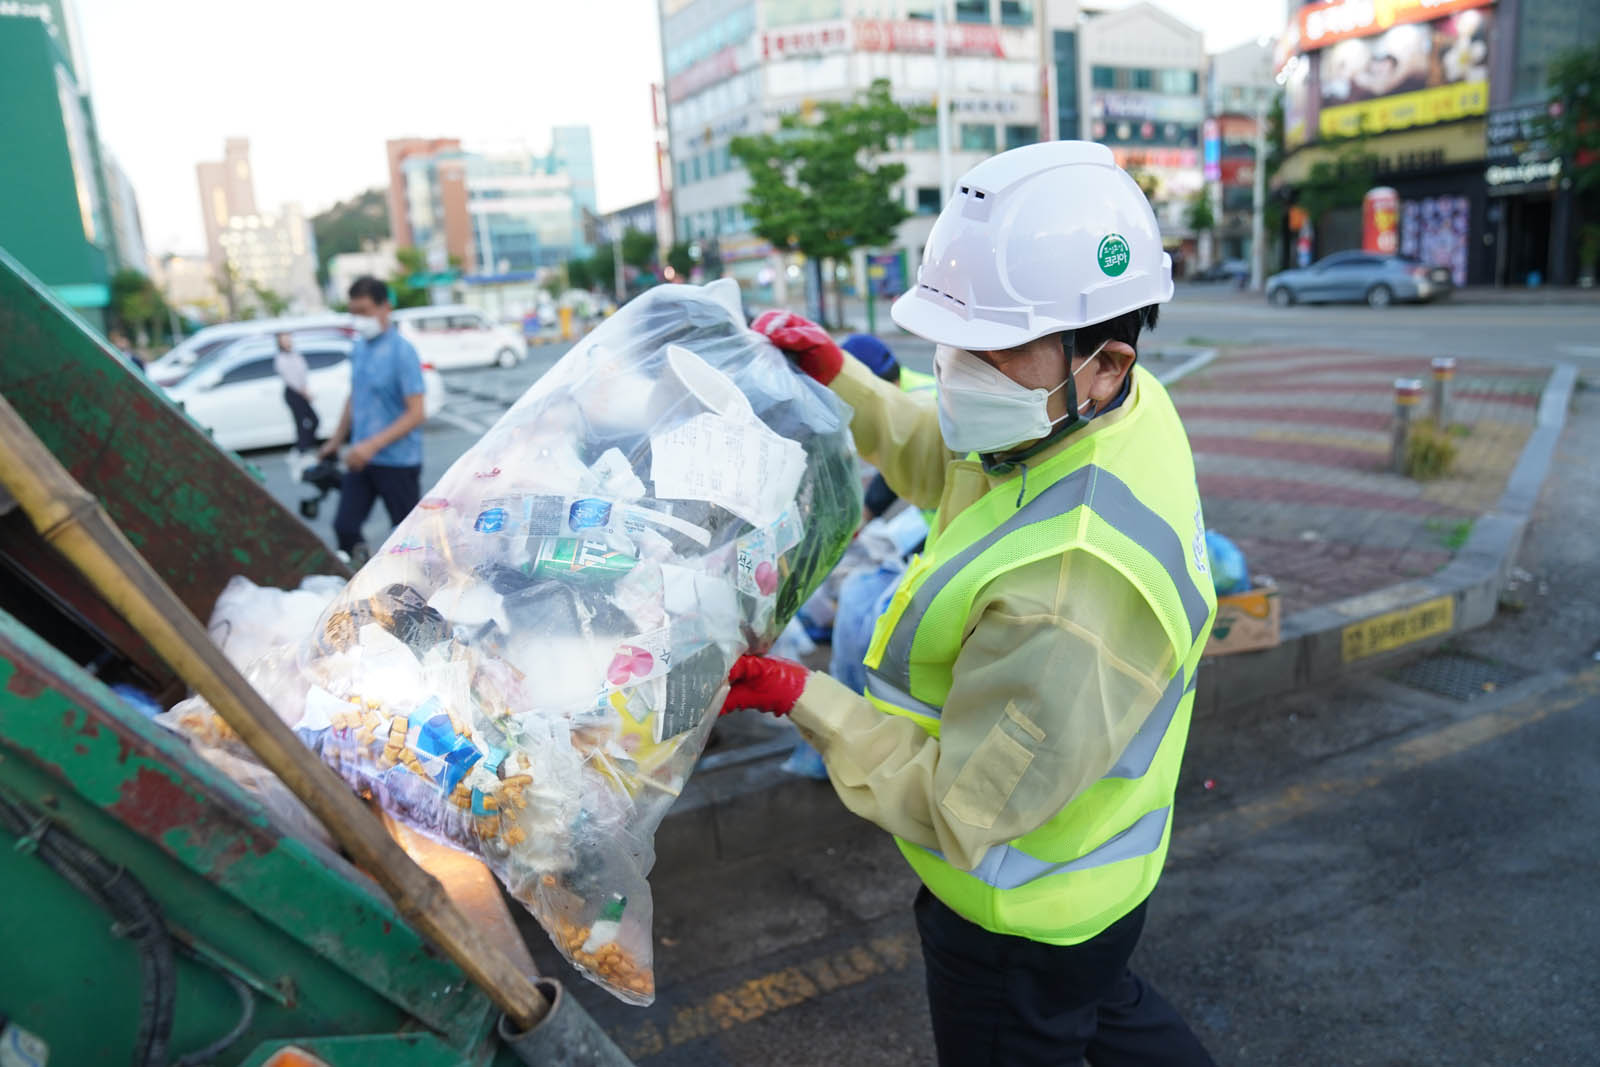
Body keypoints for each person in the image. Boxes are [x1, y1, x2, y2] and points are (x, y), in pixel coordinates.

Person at [727, 141, 1219, 1066]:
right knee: (1108, 1010)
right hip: (1095, 883)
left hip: (1019, 916)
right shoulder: (1107, 409)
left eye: (991, 351)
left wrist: (807, 699)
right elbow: (948, 450)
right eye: (951, 345)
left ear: (1103, 361)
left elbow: (959, 805)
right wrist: (845, 375)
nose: (956, 372)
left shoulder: (1070, 593)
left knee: (1046, 1021)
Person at [317, 276, 426, 565]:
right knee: (345, 527)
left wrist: (372, 445)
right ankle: (362, 580)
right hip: (362, 460)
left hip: (398, 462)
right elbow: (355, 397)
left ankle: (416, 594)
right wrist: (335, 440)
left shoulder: (402, 351)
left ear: (385, 307)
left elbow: (416, 412)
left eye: (364, 311)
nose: (359, 319)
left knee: (409, 539)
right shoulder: (359, 349)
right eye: (354, 312)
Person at [274, 332, 319, 460]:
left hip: (302, 390)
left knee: (314, 420)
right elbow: (290, 379)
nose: (288, 341)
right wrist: (303, 391)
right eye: (284, 340)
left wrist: (305, 389)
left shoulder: (295, 354)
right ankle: (301, 449)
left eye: (288, 339)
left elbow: (302, 372)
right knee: (301, 422)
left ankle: (304, 446)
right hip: (294, 393)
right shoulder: (281, 358)